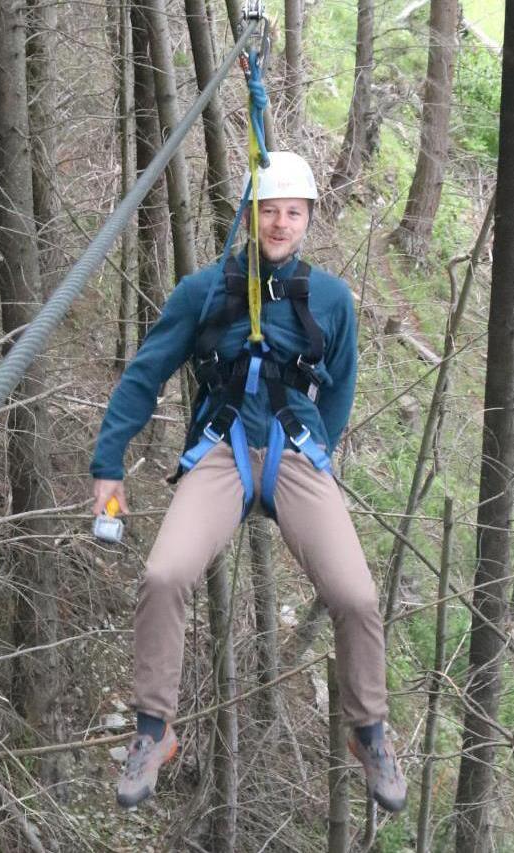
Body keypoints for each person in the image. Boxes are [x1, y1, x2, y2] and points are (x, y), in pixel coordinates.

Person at [91, 152, 407, 812]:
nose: (282, 222)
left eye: (294, 212)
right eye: (271, 210)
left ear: (309, 220)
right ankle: (154, 729)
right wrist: (108, 466)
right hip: (222, 450)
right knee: (163, 574)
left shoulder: (331, 299)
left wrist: (316, 444)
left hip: (293, 451)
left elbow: (342, 384)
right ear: (250, 216)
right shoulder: (203, 290)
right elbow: (144, 375)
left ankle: (370, 731)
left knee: (356, 595)